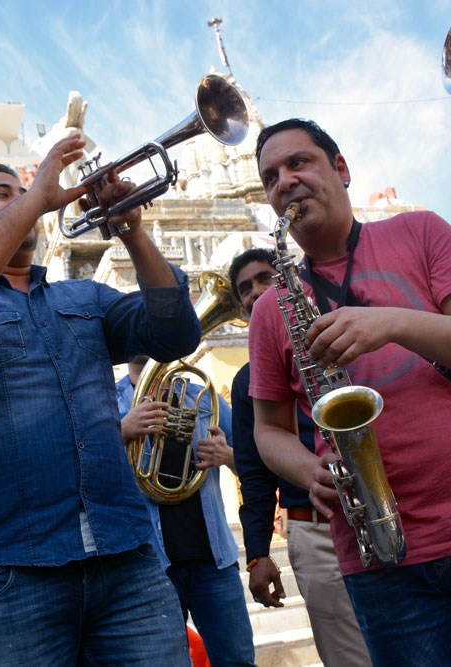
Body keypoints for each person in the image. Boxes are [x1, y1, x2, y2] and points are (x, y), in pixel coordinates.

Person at [0, 135, 202, 665]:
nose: (24, 198)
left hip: (127, 557)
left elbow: (176, 333)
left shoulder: (83, 296)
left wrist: (132, 229)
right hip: (9, 571)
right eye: (3, 194)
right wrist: (36, 199)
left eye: (24, 191)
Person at [248, 118, 451, 665]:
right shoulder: (271, 307)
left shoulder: (422, 231)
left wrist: (390, 323)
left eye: (299, 163)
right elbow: (268, 430)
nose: (284, 182)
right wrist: (305, 469)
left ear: (341, 169)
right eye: (270, 178)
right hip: (378, 554)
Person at [228, 247, 371, 667]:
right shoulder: (245, 381)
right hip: (315, 531)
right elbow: (255, 474)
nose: (256, 292)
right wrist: (257, 553)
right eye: (245, 289)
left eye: (265, 279)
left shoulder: (344, 333)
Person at [116, 356, 256, 667]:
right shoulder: (108, 402)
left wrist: (228, 455)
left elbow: (256, 464)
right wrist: (122, 431)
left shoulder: (204, 396)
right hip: (150, 567)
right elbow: (85, 470)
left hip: (214, 561)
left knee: (238, 662)